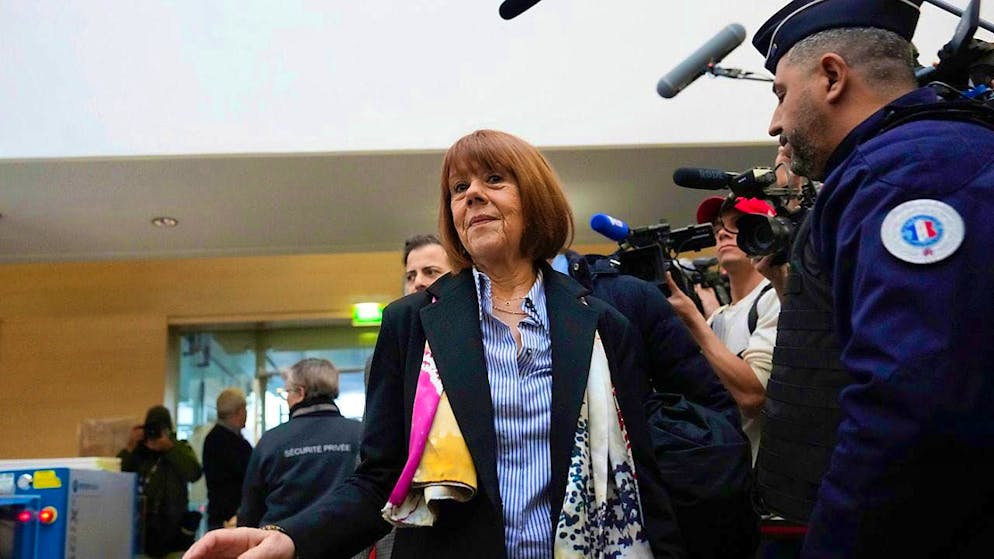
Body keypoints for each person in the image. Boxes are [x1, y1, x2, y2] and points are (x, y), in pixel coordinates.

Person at [185, 129, 685, 559]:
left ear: (534, 197)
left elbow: (642, 480)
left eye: (494, 180)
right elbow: (380, 480)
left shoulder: (601, 324)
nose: (472, 196)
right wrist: (290, 538)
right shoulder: (412, 324)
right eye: (459, 188)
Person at [752, 1, 994, 555]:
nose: (775, 123)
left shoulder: (907, 174)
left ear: (832, 76)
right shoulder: (910, 163)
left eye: (781, 94)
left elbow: (913, 407)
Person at [555, 250, 756, 559]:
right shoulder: (469, 315)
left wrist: (665, 477)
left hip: (646, 515)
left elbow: (709, 405)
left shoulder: (624, 296)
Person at [665, 196, 781, 463]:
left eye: (737, 223)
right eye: (718, 226)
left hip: (768, 475)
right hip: (731, 475)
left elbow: (754, 397)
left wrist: (693, 319)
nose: (722, 232)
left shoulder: (775, 296)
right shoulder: (717, 317)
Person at [237, 358, 363, 529]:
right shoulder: (360, 434)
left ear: (300, 392)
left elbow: (251, 508)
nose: (287, 398)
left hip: (283, 547)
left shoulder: (271, 441)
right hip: (350, 545)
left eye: (287, 392)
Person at [120, 405, 203, 558]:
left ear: (168, 430)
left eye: (158, 429)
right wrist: (130, 447)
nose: (154, 434)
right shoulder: (140, 453)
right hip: (143, 530)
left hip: (174, 530)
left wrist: (170, 448)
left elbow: (194, 473)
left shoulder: (179, 448)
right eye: (150, 429)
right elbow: (118, 476)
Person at [202, 388, 252, 530]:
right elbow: (249, 473)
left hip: (220, 515)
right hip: (229, 518)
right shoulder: (229, 442)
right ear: (238, 412)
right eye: (245, 409)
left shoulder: (214, 439)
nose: (246, 414)